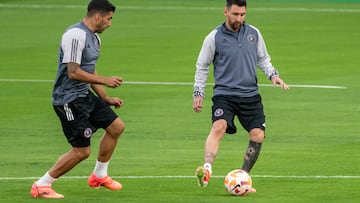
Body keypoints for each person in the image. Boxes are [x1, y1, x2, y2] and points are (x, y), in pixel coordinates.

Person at [30, 0, 125, 199]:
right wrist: (105, 81)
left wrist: (105, 97)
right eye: (109, 19)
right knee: (82, 151)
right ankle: (42, 184)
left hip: (84, 96)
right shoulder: (75, 35)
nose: (110, 23)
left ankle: (99, 176)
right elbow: (73, 72)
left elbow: (89, 70)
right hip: (68, 100)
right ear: (97, 16)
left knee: (116, 127)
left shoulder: (95, 38)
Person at [193, 0, 289, 192]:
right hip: (225, 94)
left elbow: (263, 58)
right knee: (218, 126)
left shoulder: (254, 33)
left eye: (243, 14)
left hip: (250, 95)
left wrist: (274, 75)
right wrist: (198, 92)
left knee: (258, 135)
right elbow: (202, 66)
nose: (239, 18)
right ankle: (207, 169)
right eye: (235, 14)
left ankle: (243, 178)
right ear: (226, 12)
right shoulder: (214, 37)